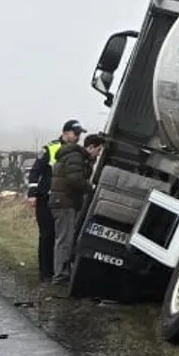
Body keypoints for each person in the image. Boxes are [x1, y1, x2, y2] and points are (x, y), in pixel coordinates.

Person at [27, 119, 84, 282]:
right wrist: (32, 193)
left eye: (79, 134)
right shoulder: (50, 148)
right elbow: (35, 172)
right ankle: (45, 272)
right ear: (65, 133)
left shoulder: (76, 152)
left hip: (62, 201)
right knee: (47, 234)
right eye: (76, 133)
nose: (78, 137)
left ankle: (57, 270)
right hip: (45, 198)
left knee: (61, 236)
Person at [49, 134, 104, 285]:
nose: (98, 154)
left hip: (63, 201)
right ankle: (60, 275)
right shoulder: (76, 158)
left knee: (65, 238)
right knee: (64, 240)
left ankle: (62, 273)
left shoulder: (79, 158)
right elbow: (75, 180)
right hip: (65, 203)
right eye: (98, 150)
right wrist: (91, 188)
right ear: (91, 147)